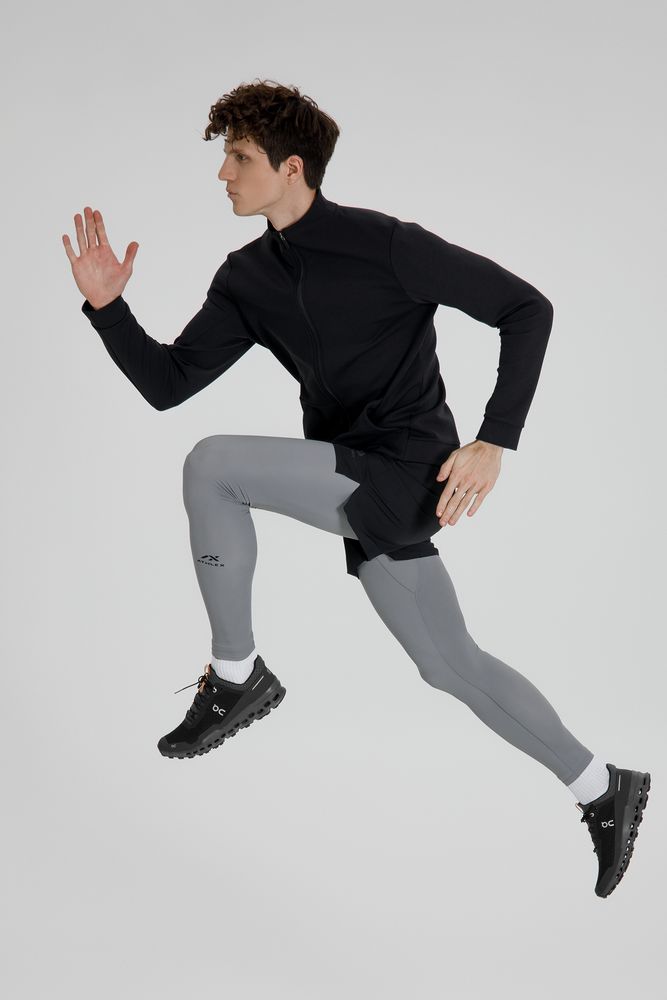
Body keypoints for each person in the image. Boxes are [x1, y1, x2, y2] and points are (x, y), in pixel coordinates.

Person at [62, 78, 650, 897]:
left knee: (212, 465)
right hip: (349, 472)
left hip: (407, 467)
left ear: (291, 167)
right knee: (449, 665)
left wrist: (493, 441)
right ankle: (600, 786)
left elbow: (526, 308)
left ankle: (235, 677)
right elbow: (168, 383)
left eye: (239, 157)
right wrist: (108, 310)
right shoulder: (246, 278)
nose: (223, 174)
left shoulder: (387, 246)